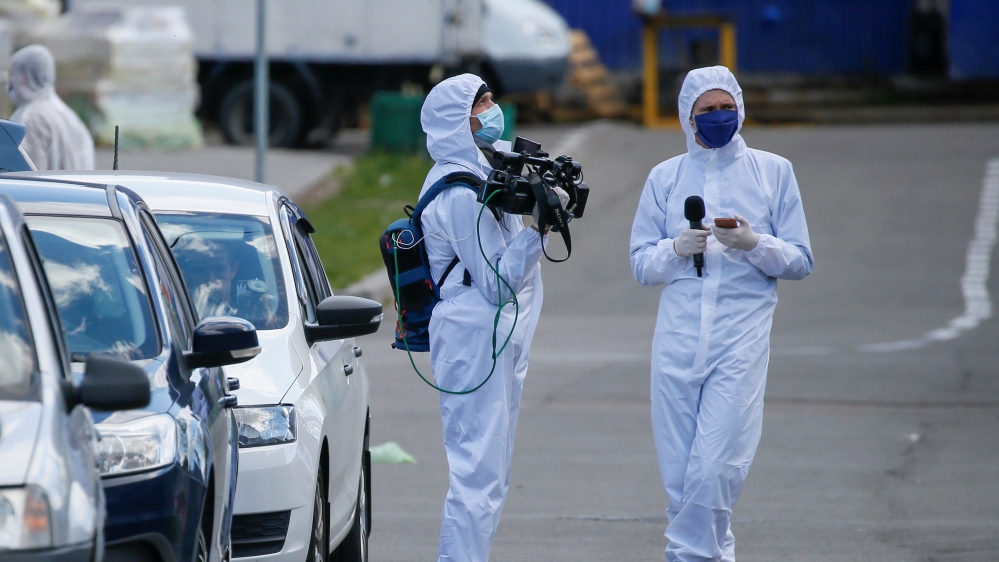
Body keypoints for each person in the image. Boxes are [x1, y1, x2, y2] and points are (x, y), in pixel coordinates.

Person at [630, 66, 813, 562]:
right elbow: (641, 265)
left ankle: (686, 557)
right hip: (677, 341)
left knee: (714, 468)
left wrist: (755, 243)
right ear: (687, 117)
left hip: (740, 338)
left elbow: (800, 260)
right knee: (680, 475)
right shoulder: (665, 178)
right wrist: (674, 248)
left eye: (725, 107)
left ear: (741, 108)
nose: (718, 118)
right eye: (706, 111)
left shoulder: (773, 171)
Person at [418, 73, 565, 562]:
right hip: (473, 338)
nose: (493, 109)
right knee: (477, 475)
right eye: (481, 103)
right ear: (456, 121)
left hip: (491, 335)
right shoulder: (458, 190)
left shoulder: (481, 171)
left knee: (490, 473)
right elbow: (498, 283)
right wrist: (538, 230)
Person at [6, 45, 95, 171]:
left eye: (12, 74)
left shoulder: (32, 118)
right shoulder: (68, 114)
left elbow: (24, 177)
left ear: (23, 77)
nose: (9, 82)